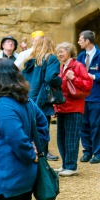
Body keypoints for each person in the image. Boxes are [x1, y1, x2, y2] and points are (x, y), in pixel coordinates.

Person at [0, 58, 49, 200]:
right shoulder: (25, 100)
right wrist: (37, 145)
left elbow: (16, 138)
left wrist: (32, 153)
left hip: (6, 181)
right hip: (22, 179)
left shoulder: (4, 105)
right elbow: (43, 124)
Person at [20, 35, 61, 161]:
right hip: (42, 98)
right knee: (43, 127)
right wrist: (60, 81)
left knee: (30, 127)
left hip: (28, 97)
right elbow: (50, 78)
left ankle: (31, 153)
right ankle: (43, 153)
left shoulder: (29, 60)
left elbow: (21, 78)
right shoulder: (51, 59)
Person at [54, 42, 93, 176]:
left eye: (62, 51)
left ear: (70, 52)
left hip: (74, 108)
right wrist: (55, 106)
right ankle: (65, 165)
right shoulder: (62, 67)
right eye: (58, 52)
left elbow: (88, 84)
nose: (59, 54)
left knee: (71, 138)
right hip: (62, 107)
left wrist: (74, 78)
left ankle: (71, 166)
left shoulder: (78, 66)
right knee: (61, 138)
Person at [77, 30, 100, 164]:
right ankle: (87, 151)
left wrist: (94, 77)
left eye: (80, 39)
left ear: (87, 41)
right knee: (83, 126)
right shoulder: (81, 56)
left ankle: (97, 152)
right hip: (82, 97)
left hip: (96, 97)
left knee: (96, 126)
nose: (79, 41)